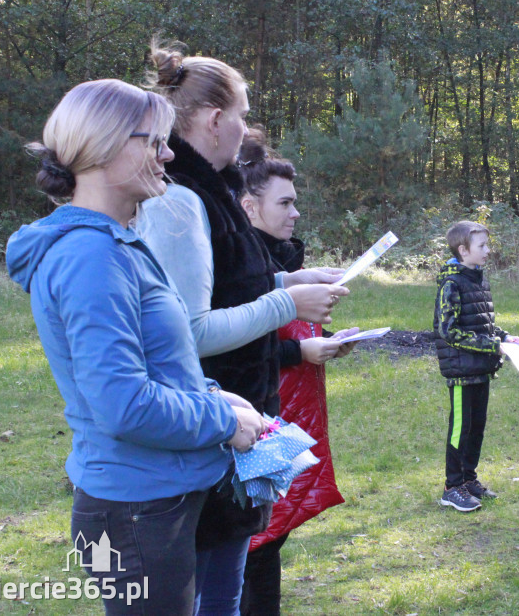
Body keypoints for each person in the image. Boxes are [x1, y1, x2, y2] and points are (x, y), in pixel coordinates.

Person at [5, 79, 269, 615]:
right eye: (154, 141)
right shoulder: (91, 258)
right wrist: (223, 421)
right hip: (136, 513)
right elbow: (124, 404)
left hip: (151, 503)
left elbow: (157, 363)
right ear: (103, 145)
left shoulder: (118, 243)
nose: (168, 153)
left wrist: (216, 394)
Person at [135, 42, 348, 615]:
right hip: (206, 434)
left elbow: (229, 286)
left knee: (227, 586)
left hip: (235, 430)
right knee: (213, 596)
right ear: (213, 119)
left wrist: (290, 282)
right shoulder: (182, 200)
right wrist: (289, 304)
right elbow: (190, 330)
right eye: (244, 115)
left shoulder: (212, 191)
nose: (247, 128)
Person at [236, 129, 352, 616]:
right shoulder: (237, 265)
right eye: (285, 203)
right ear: (249, 207)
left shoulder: (276, 259)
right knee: (255, 544)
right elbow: (234, 343)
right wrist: (300, 351)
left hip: (289, 410)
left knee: (270, 535)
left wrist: (318, 337)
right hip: (257, 416)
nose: (296, 212)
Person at [433, 221, 519, 513]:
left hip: (481, 368)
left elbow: (482, 322)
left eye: (488, 245)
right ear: (463, 250)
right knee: (460, 430)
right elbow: (448, 331)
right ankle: (452, 487)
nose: (488, 251)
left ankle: (469, 479)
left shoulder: (477, 279)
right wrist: (492, 346)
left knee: (477, 428)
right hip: (462, 372)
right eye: (482, 246)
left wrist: (504, 337)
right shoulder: (451, 284)